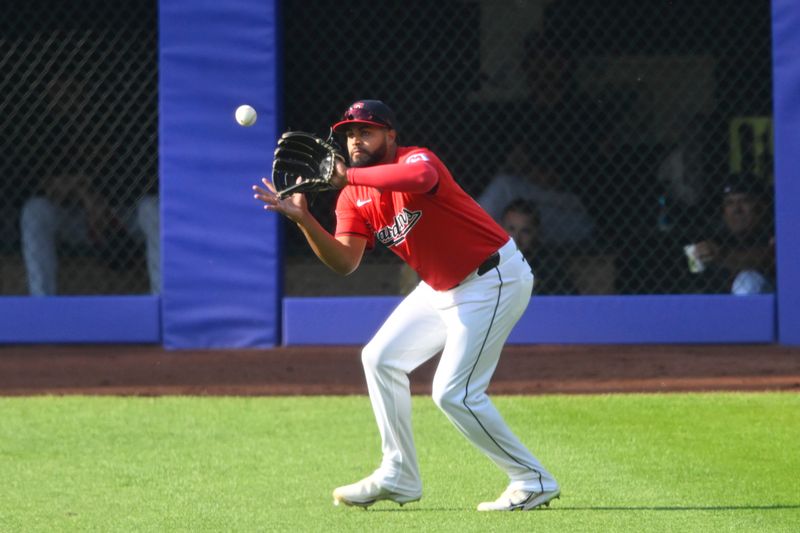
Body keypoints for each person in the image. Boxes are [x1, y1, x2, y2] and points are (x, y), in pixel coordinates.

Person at [253, 100, 560, 511]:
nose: (355, 140)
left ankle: (532, 479)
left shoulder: (415, 158)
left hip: (492, 279)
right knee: (379, 358)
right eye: (349, 133)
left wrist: (349, 175)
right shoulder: (352, 195)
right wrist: (305, 221)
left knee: (454, 393)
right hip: (440, 288)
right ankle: (399, 473)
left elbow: (422, 176)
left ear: (391, 136)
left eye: (366, 131)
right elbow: (345, 261)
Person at [17, 73, 160, 296]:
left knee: (153, 208)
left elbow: (137, 175)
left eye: (69, 90)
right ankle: (42, 301)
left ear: (82, 89)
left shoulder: (113, 120)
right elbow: (40, 183)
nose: (62, 96)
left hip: (123, 213)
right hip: (77, 217)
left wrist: (90, 190)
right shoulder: (44, 131)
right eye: (55, 91)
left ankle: (161, 297)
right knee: (35, 211)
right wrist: (84, 193)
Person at [685, 173, 774, 295]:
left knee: (748, 280)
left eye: (744, 201)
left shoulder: (774, 231)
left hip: (772, 301)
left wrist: (722, 255)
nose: (736, 209)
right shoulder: (716, 236)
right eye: (729, 203)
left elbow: (767, 259)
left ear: (761, 207)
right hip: (720, 308)